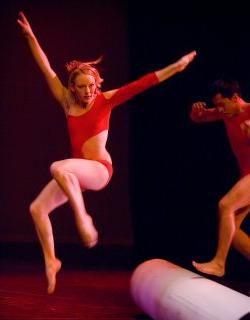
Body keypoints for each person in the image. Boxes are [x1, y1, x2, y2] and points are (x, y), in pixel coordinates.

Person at [17, 11, 196, 294]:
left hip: (99, 170)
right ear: (73, 88)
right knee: (37, 209)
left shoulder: (105, 100)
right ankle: (52, 260)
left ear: (96, 84)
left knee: (59, 167)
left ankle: (84, 219)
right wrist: (31, 37)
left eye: (92, 86)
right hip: (78, 174)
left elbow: (142, 84)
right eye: (82, 87)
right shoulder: (66, 102)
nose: (88, 91)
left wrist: (176, 66)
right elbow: (47, 68)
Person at [190, 78, 250, 277]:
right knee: (230, 230)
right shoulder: (226, 112)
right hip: (247, 174)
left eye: (222, 105)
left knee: (225, 206)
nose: (220, 110)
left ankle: (219, 264)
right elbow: (199, 118)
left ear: (235, 98)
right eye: (217, 106)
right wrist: (196, 111)